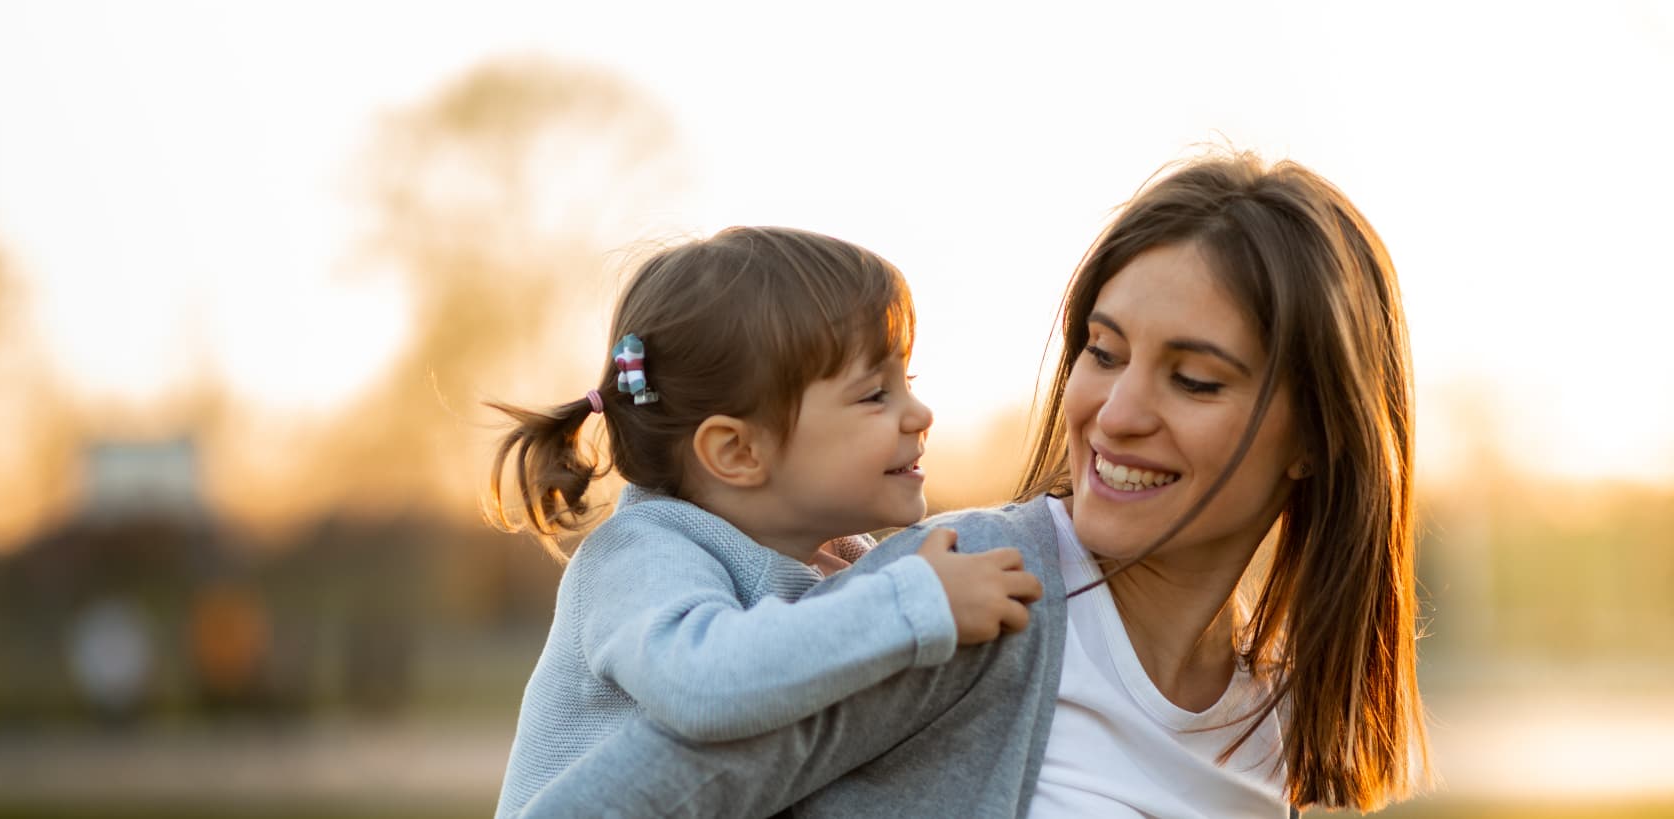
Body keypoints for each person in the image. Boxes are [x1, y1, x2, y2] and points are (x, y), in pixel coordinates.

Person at [514, 153, 1428, 817]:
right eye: (1101, 354)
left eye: (1195, 379)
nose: (1115, 414)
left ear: (1318, 432)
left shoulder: (1269, 720)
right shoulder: (962, 592)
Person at [484, 226, 1046, 816]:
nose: (921, 414)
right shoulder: (640, 554)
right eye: (875, 395)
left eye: (908, 383)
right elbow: (704, 685)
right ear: (737, 453)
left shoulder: (837, 559)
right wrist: (913, 602)